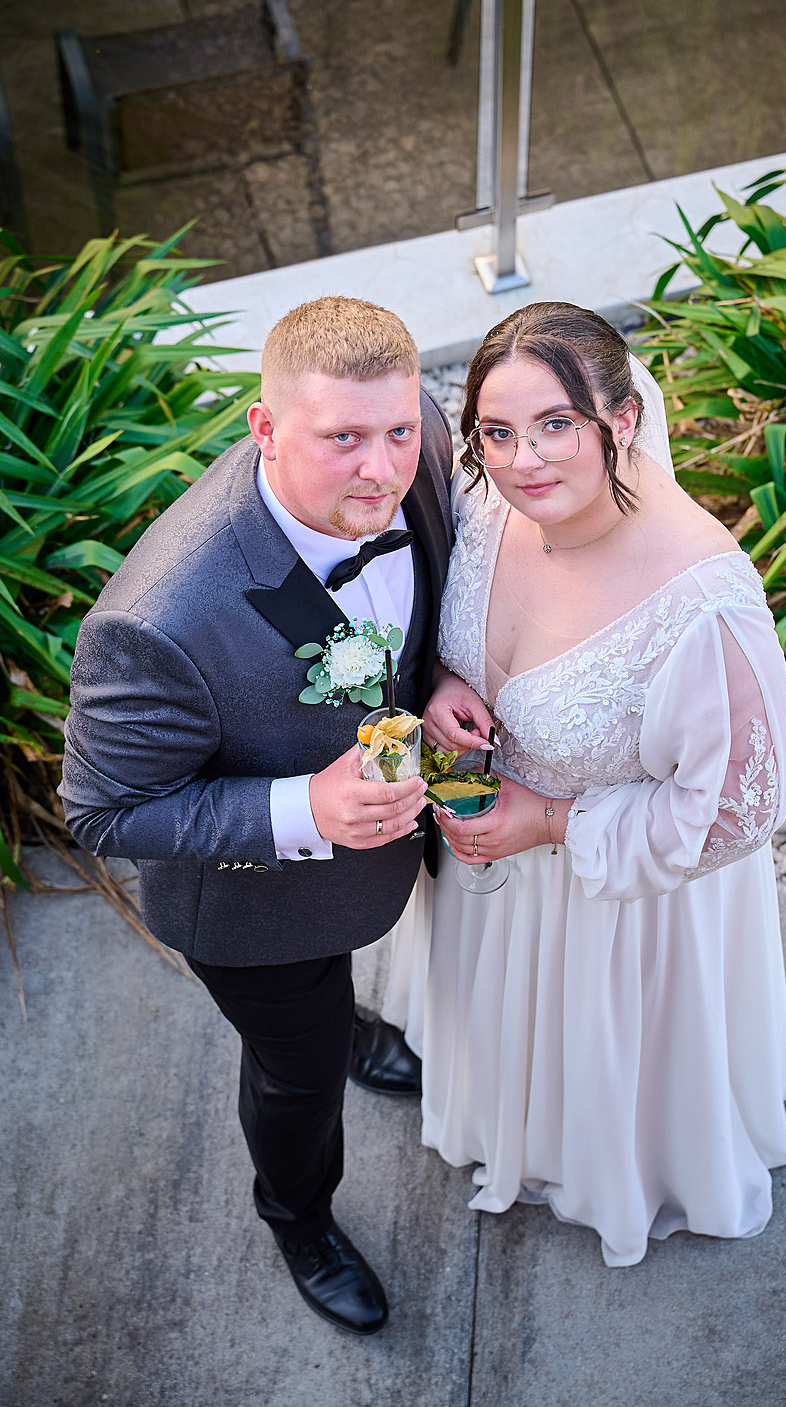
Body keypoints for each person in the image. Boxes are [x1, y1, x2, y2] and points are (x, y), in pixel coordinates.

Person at [59, 297, 453, 1332]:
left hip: (377, 854)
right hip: (254, 909)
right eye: (343, 440)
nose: (382, 470)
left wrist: (446, 673)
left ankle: (352, 1027)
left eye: (396, 432)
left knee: (333, 1010)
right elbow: (101, 813)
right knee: (296, 1076)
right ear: (265, 429)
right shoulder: (159, 620)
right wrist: (303, 807)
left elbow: (424, 603)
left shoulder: (420, 439)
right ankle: (298, 1218)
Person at [383, 300, 786, 1267]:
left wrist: (552, 821)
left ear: (624, 419)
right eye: (497, 431)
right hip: (491, 868)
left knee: (595, 1068)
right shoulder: (488, 498)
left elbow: (738, 814)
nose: (523, 461)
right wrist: (442, 681)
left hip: (616, 908)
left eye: (556, 425)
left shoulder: (703, 607)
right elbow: (440, 614)